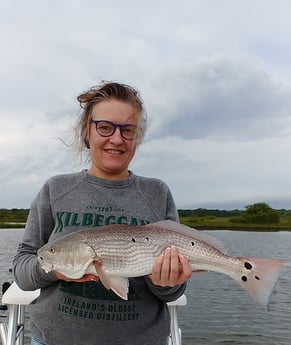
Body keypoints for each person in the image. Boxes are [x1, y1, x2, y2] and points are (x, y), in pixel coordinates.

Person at [13, 81, 192, 345]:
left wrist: (166, 282)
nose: (117, 139)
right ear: (87, 132)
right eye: (105, 127)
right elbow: (22, 268)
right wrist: (54, 269)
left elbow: (171, 294)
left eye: (127, 130)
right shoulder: (56, 189)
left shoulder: (157, 193)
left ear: (137, 136)